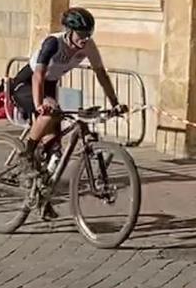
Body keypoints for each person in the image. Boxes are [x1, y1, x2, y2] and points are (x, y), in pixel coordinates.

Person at [8, 9, 125, 170]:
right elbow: (38, 76)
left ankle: (41, 178)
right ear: (69, 31)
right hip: (27, 84)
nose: (85, 38)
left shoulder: (88, 45)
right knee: (49, 114)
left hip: (49, 85)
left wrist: (115, 103)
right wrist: (39, 105)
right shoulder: (53, 43)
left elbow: (101, 75)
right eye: (81, 34)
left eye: (89, 33)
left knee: (54, 140)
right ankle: (27, 154)